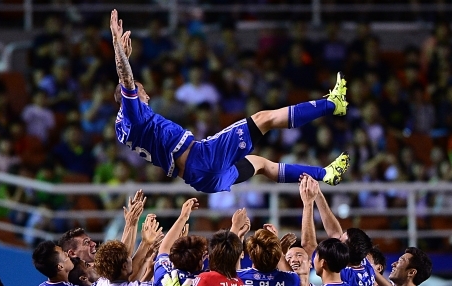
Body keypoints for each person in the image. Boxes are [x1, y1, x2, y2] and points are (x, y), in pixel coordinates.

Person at [109, 9, 350, 195]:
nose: (147, 96)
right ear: (128, 97)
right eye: (142, 92)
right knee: (262, 119)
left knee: (261, 164)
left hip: (200, 179)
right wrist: (119, 53)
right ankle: (333, 103)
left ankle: (326, 173)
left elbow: (126, 85)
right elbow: (126, 81)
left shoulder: (123, 127)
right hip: (201, 158)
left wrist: (126, 64)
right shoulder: (134, 114)